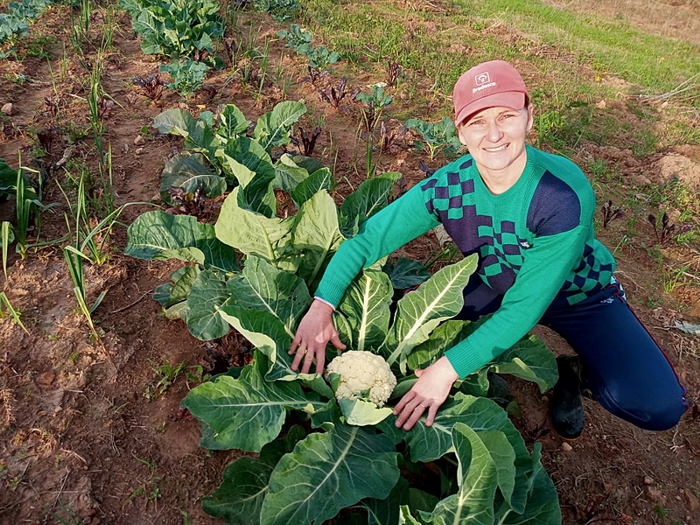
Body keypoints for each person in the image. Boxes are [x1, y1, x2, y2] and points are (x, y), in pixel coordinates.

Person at [288, 60, 688, 438]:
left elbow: (524, 309)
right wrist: (321, 306)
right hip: (495, 281)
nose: (493, 135)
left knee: (655, 404)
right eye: (477, 122)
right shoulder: (450, 187)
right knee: (400, 327)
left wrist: (446, 370)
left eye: (506, 117)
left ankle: (577, 373)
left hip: (577, 294)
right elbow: (369, 239)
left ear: (529, 116)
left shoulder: (560, 195)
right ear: (460, 133)